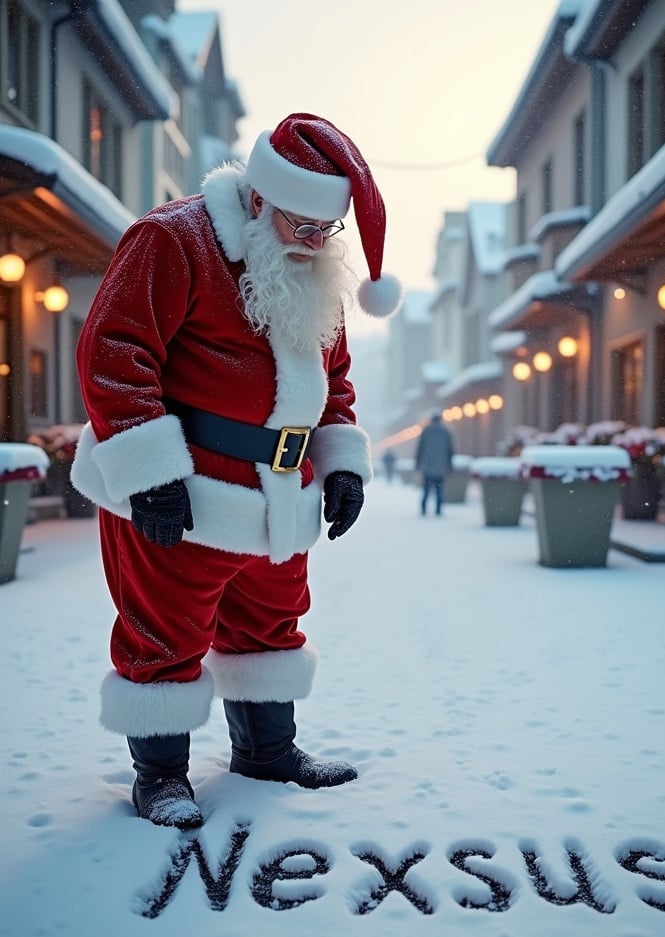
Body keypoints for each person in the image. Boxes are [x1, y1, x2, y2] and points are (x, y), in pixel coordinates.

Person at [71, 112, 401, 829]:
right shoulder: (173, 239)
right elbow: (114, 350)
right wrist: (148, 470)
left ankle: (267, 753)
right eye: (300, 225)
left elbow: (333, 379)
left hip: (279, 495)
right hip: (183, 491)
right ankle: (159, 777)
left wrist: (340, 462)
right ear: (258, 199)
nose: (314, 244)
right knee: (164, 633)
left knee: (270, 625)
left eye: (327, 230)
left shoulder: (317, 272)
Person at [415, 413, 454, 516]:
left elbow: (420, 449)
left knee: (426, 490)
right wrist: (449, 465)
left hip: (428, 467)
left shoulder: (426, 431)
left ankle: (423, 509)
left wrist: (418, 464)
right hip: (441, 467)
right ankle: (438, 510)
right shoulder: (446, 432)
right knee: (439, 490)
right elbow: (450, 450)